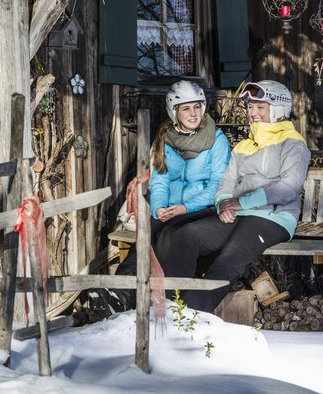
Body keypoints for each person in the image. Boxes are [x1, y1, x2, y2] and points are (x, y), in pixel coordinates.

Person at [82, 80, 231, 321]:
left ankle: (160, 301)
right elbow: (160, 180)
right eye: (186, 109)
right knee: (145, 236)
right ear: (174, 112)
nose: (193, 114)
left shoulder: (217, 140)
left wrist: (184, 207)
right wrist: (159, 207)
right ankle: (121, 293)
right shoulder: (166, 139)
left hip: (203, 208)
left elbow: (219, 185)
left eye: (196, 107)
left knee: (167, 235)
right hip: (172, 210)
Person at [160, 80, 311, 313]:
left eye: (261, 107)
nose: (253, 113)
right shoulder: (244, 145)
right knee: (186, 236)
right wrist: (223, 204)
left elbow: (288, 187)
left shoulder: (293, 144)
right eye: (251, 107)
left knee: (229, 257)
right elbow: (226, 182)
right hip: (238, 212)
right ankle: (166, 309)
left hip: (273, 218)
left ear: (279, 109)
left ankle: (190, 318)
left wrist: (242, 202)